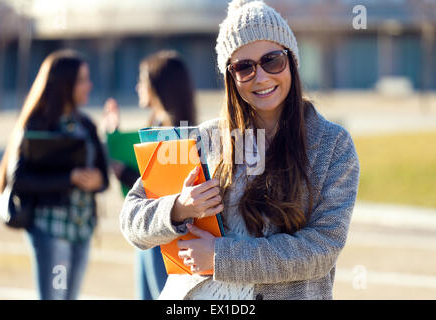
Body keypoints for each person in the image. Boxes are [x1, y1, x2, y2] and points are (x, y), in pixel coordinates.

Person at [120, 0, 360, 300]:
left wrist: (220, 257)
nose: (261, 77)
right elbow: (131, 221)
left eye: (272, 60)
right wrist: (179, 207)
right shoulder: (203, 139)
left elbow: (321, 249)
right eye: (244, 67)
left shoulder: (331, 145)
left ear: (292, 61)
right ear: (230, 77)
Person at [0, 49, 109, 300]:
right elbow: (19, 181)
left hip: (82, 229)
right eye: (82, 80)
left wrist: (97, 180)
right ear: (65, 85)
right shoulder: (36, 125)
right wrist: (70, 179)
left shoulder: (86, 125)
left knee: (69, 297)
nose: (89, 85)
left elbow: (103, 176)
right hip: (51, 229)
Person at [103, 50, 197, 299]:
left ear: (159, 87)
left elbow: (164, 189)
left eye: (142, 81)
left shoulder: (175, 133)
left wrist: (125, 173)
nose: (137, 87)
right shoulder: (159, 125)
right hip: (147, 229)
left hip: (165, 234)